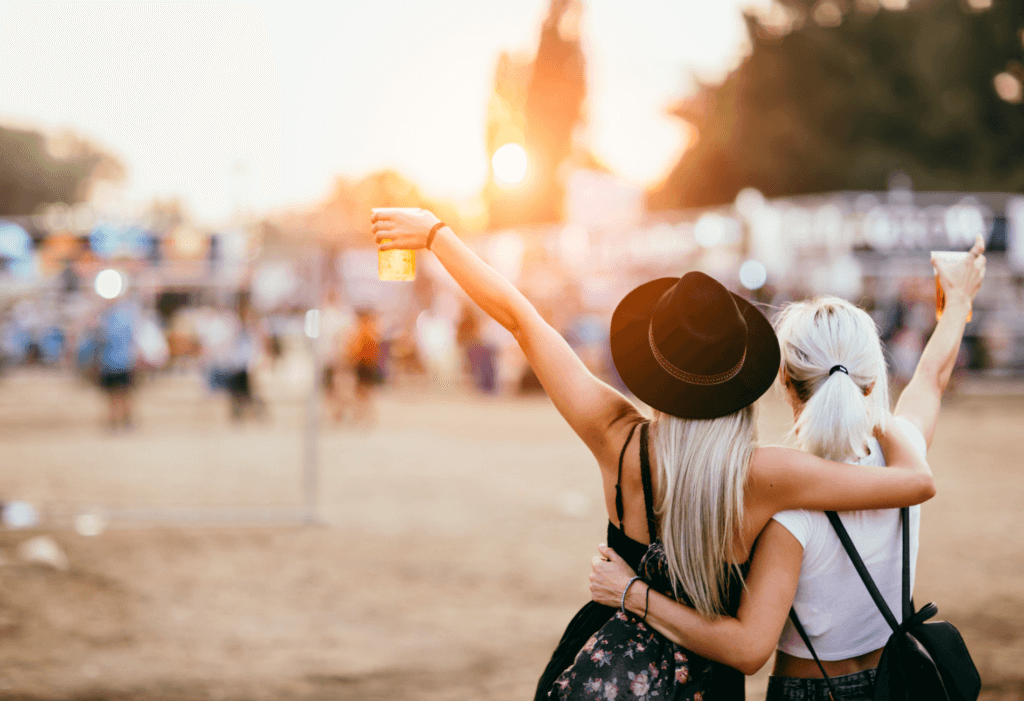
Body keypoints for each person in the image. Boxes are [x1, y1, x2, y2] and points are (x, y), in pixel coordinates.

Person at [370, 208, 936, 701]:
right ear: (745, 378)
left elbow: (522, 318)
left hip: (603, 664)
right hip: (705, 682)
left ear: (651, 364)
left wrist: (436, 233)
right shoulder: (768, 474)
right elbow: (914, 484)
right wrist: (870, 400)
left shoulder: (613, 433)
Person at [589, 236, 986, 701]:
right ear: (872, 380)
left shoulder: (787, 507)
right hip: (898, 682)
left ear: (784, 381)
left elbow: (747, 646)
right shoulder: (901, 455)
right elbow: (931, 379)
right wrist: (958, 299)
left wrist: (633, 593)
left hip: (813, 690)